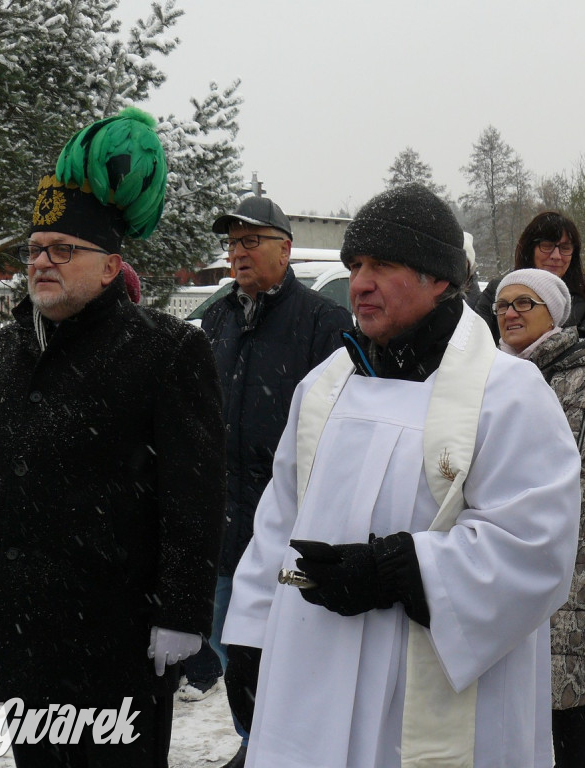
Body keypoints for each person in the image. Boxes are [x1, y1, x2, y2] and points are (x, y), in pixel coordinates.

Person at [220, 183, 582, 767]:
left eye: (382, 266)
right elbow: (278, 520)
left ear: (439, 279)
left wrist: (405, 570)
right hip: (313, 673)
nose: (359, 283)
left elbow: (536, 546)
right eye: (354, 265)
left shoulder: (506, 395)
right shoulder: (326, 387)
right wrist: (251, 633)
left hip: (435, 687)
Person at [0, 109, 224, 766]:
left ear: (112, 265)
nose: (43, 263)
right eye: (35, 249)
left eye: (64, 250)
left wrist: (182, 609)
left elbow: (193, 498)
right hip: (24, 642)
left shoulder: (167, 351)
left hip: (118, 639)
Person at [200, 194, 352, 767]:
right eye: (233, 243)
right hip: (222, 524)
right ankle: (253, 739)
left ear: (284, 250)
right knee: (227, 642)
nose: (238, 253)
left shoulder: (322, 323)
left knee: (282, 652)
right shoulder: (214, 322)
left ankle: (283, 745)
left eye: (250, 241)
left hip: (284, 525)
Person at [494, 269, 585, 768]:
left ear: (554, 313)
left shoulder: (580, 374)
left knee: (563, 688)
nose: (510, 313)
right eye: (503, 304)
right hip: (499, 544)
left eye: (525, 303)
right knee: (510, 684)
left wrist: (503, 495)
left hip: (565, 548)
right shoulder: (493, 372)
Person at [471, 211, 585, 343]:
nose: (556, 256)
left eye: (565, 248)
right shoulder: (498, 292)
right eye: (547, 246)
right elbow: (474, 342)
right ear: (530, 250)